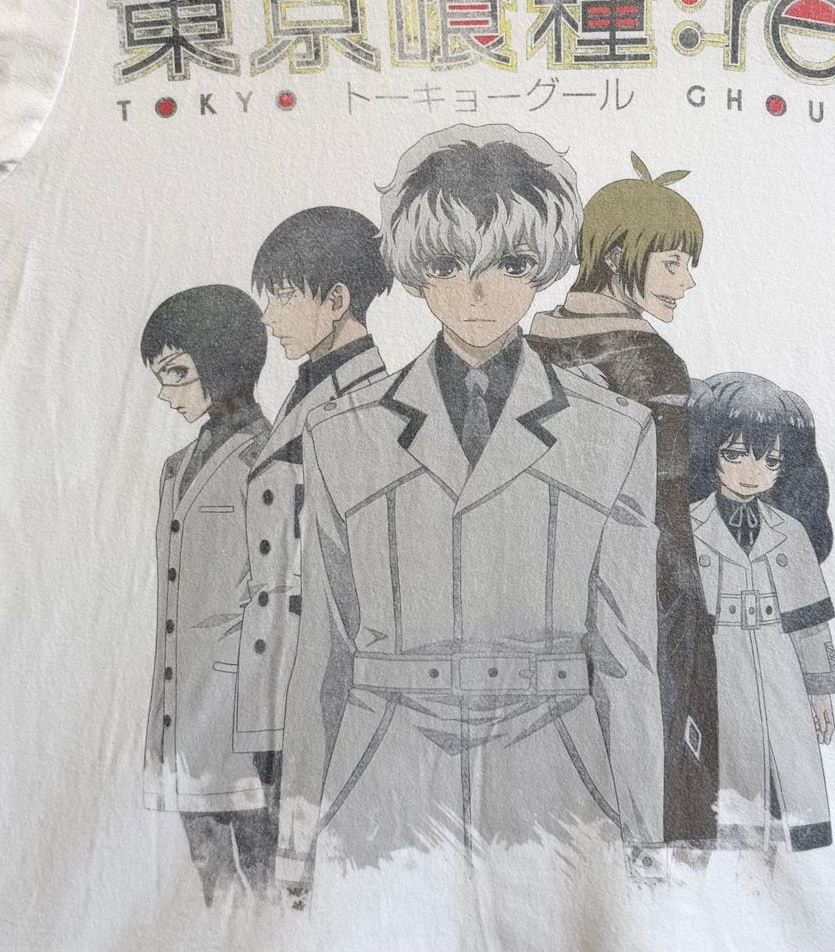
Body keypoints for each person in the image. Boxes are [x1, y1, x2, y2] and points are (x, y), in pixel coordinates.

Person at [273, 123, 668, 893]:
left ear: (544, 266)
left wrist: (646, 841)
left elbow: (628, 659)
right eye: (449, 264)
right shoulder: (341, 432)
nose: (479, 292)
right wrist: (296, 846)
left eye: (510, 264)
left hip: (560, 768)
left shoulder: (615, 429)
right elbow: (322, 652)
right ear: (416, 273)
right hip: (380, 772)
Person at [530, 153, 719, 848]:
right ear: (616, 258)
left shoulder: (530, 346)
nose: (686, 281)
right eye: (671, 263)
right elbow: (667, 514)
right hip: (644, 592)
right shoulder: (649, 362)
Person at [233, 207, 392, 761]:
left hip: (322, 685)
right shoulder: (309, 387)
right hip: (275, 676)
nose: (268, 316)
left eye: (283, 296)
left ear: (337, 300)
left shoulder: (371, 406)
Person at [139, 284, 275, 905]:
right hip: (180, 703)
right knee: (209, 871)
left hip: (244, 710)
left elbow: (277, 593)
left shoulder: (270, 457)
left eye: (177, 373)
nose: (166, 393)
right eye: (160, 377)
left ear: (222, 362)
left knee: (264, 869)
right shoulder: (174, 468)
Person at [688, 373, 835, 853]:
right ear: (711, 452)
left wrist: (820, 690)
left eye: (770, 460)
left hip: (780, 665)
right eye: (737, 454)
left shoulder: (791, 532)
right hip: (716, 662)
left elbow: (811, 623)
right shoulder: (688, 524)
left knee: (785, 782)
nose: (752, 471)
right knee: (721, 784)